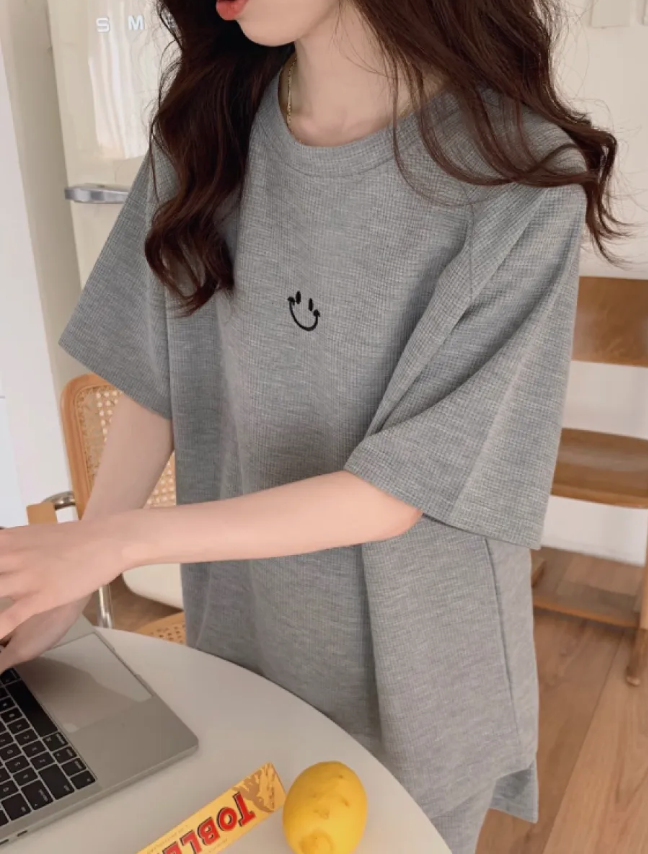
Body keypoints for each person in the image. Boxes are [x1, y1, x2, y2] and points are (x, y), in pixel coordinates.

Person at [0, 0, 620, 850]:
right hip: (243, 642)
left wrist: (109, 546)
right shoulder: (204, 131)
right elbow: (161, 377)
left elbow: (395, 489)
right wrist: (66, 582)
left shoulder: (517, 179)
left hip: (420, 681)